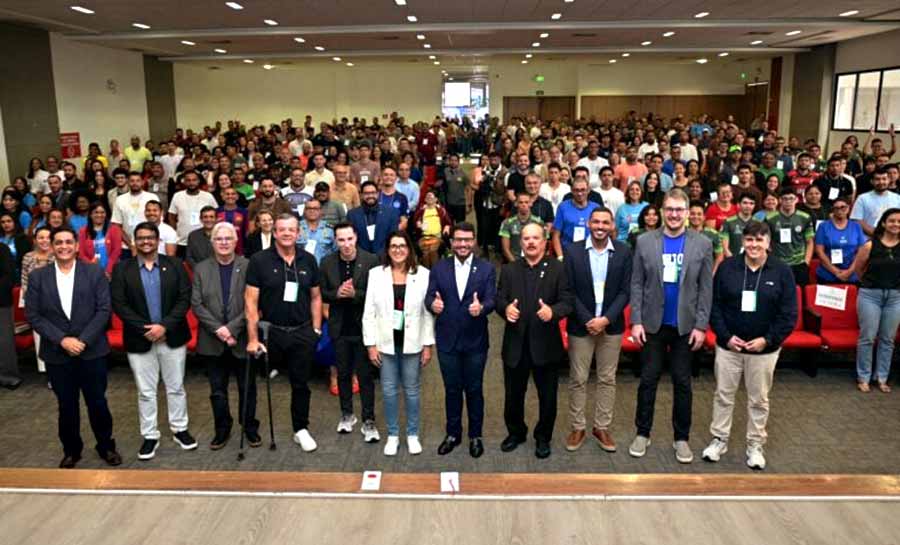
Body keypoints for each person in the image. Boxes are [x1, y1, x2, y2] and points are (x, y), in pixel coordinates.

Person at [703, 220, 798, 470]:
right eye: (749, 239)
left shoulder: (782, 271)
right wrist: (724, 337)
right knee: (723, 395)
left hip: (763, 350)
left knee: (759, 399)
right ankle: (719, 439)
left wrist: (767, 340)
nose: (754, 244)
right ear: (743, 242)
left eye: (759, 240)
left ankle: (755, 444)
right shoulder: (727, 268)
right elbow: (715, 306)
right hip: (729, 347)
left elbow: (789, 315)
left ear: (768, 243)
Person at [25, 226, 121, 468]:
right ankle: (71, 450)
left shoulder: (94, 272)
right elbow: (33, 315)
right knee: (66, 406)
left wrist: (83, 340)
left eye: (69, 242)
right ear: (51, 246)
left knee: (98, 403)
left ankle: (106, 446)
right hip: (58, 353)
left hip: (92, 351)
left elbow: (103, 310)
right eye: (59, 242)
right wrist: (62, 340)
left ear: (77, 246)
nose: (64, 246)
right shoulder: (38, 276)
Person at [629, 188, 713, 464]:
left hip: (685, 326)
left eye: (679, 210)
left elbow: (705, 289)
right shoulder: (644, 242)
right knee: (648, 381)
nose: (674, 214)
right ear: (662, 212)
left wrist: (701, 325)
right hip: (652, 324)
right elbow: (637, 284)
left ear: (688, 214)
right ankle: (643, 433)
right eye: (670, 209)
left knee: (682, 383)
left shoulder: (702, 244)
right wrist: (637, 321)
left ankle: (681, 438)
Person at [111, 222, 197, 461]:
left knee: (176, 387)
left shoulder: (175, 265)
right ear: (134, 242)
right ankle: (150, 435)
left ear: (158, 240)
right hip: (140, 339)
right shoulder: (122, 269)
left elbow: (184, 297)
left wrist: (164, 326)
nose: (145, 241)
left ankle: (180, 429)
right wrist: (145, 329)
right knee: (146, 392)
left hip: (172, 335)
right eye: (140, 238)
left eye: (150, 237)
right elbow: (119, 304)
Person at [245, 213, 323, 452]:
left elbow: (316, 296)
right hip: (271, 333)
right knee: (252, 381)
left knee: (301, 384)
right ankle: (249, 426)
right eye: (282, 229)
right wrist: (252, 339)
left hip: (301, 332)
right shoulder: (259, 261)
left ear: (298, 233)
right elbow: (250, 301)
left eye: (292, 229)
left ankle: (300, 429)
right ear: (274, 232)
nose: (287, 233)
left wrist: (317, 328)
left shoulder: (308, 260)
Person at [495, 223, 573, 459]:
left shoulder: (557, 269)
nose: (530, 242)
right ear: (521, 242)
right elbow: (499, 298)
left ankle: (543, 437)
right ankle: (516, 432)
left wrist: (554, 312)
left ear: (544, 241)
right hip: (515, 346)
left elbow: (568, 301)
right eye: (526, 238)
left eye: (535, 238)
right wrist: (505, 308)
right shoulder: (509, 270)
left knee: (548, 397)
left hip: (546, 345)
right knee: (512, 396)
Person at [563, 207, 631, 453]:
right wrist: (588, 319)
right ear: (589, 224)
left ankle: (601, 426)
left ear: (612, 225)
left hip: (611, 327)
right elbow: (567, 291)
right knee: (578, 379)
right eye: (596, 222)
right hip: (581, 326)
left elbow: (626, 291)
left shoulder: (624, 252)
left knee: (607, 378)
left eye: (605, 222)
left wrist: (605, 319)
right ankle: (578, 426)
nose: (600, 226)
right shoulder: (572, 251)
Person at [425, 222, 496, 458]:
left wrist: (482, 307)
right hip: (447, 341)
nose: (463, 244)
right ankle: (453, 433)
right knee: (451, 390)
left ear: (474, 241)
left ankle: (476, 435)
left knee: (474, 389)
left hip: (475, 341)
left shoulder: (486, 268)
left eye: (467, 240)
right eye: (458, 240)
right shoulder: (439, 267)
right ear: (452, 242)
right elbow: (429, 296)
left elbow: (492, 300)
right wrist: (432, 305)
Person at [362, 230, 434, 456]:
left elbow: (427, 314)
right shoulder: (376, 274)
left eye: (402, 245)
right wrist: (370, 344)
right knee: (389, 391)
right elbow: (369, 312)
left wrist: (427, 344)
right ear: (388, 249)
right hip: (385, 343)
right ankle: (393, 435)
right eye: (393, 246)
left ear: (409, 249)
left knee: (412, 391)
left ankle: (412, 434)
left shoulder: (423, 274)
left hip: (413, 342)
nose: (398, 250)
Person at [191, 222, 260, 449]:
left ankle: (249, 427)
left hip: (242, 338)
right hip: (212, 340)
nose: (223, 243)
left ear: (235, 241)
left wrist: (232, 328)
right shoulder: (201, 268)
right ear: (212, 242)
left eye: (228, 238)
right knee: (217, 391)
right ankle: (222, 429)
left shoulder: (249, 265)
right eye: (219, 239)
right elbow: (197, 304)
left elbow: (254, 304)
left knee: (247, 388)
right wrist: (219, 330)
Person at [320, 223, 380, 442]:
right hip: (339, 328)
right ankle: (347, 415)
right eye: (341, 240)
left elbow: (377, 294)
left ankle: (368, 419)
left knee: (365, 376)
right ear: (335, 241)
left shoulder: (371, 260)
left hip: (363, 328)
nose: (346, 244)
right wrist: (337, 293)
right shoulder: (327, 263)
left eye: (349, 239)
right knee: (343, 374)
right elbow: (323, 293)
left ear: (356, 238)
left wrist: (355, 294)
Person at [850, 208, 900, 393]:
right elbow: (858, 269)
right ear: (884, 223)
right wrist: (871, 283)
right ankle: (863, 376)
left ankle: (881, 377)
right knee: (868, 337)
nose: (896, 224)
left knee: (888, 339)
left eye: (899, 222)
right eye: (892, 221)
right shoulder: (870, 245)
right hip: (870, 295)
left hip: (895, 297)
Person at [20, 226, 55, 373]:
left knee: (56, 336)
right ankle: (45, 371)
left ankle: (57, 369)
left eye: (47, 237)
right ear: (35, 240)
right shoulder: (28, 257)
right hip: (35, 303)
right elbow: (24, 281)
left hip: (55, 303)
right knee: (39, 338)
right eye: (41, 237)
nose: (44, 240)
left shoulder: (58, 255)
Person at [766, 188, 814, 286]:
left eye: (791, 199)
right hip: (778, 263)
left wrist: (806, 262)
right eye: (785, 199)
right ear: (780, 200)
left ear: (796, 199)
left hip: (799, 263)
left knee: (801, 294)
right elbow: (766, 241)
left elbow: (810, 241)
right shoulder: (770, 218)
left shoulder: (805, 217)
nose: (788, 202)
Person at [814, 196, 866, 284]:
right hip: (827, 274)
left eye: (843, 207)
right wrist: (836, 272)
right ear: (832, 210)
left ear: (849, 208)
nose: (839, 210)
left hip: (852, 275)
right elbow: (819, 251)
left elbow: (861, 251)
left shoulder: (856, 226)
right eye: (836, 208)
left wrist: (850, 271)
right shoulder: (823, 226)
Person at [168, 170, 218, 256]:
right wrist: (175, 233)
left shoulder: (208, 196)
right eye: (188, 180)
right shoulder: (177, 196)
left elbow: (216, 216)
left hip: (204, 241)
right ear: (184, 181)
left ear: (198, 181)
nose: (191, 183)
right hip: (182, 241)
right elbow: (171, 216)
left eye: (194, 180)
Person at [111, 171, 158, 258]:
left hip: (148, 244)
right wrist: (131, 246)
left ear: (142, 182)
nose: (135, 183)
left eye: (138, 181)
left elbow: (157, 222)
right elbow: (116, 225)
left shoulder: (152, 197)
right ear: (128, 182)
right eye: (132, 181)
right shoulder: (120, 200)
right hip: (126, 246)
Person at [347, 181, 401, 255]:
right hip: (361, 257)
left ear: (378, 194)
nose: (370, 196)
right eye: (366, 193)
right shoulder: (352, 214)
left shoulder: (391, 213)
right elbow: (352, 238)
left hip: (385, 256)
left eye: (373, 192)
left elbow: (393, 236)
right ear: (361, 195)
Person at [552, 177, 599, 255]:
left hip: (590, 253)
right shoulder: (563, 207)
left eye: (583, 190)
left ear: (588, 190)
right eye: (576, 190)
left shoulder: (596, 208)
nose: (580, 193)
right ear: (571, 190)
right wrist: (560, 257)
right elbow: (556, 235)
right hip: (568, 253)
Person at [77, 201, 124, 278]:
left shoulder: (114, 229)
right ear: (90, 214)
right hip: (90, 272)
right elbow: (81, 253)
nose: (99, 215)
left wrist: (108, 270)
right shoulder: (83, 231)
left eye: (102, 212)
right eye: (96, 212)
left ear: (106, 214)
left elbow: (116, 251)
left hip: (111, 272)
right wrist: (91, 266)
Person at [850, 168, 900, 237]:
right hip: (868, 240)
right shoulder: (862, 198)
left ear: (888, 180)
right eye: (877, 179)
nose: (881, 182)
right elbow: (857, 219)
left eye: (884, 179)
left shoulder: (897, 198)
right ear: (872, 181)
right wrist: (876, 234)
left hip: (893, 239)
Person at [499, 192, 546, 263]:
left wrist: (535, 262)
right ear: (516, 204)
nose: (524, 205)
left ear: (531, 203)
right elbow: (505, 249)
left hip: (535, 262)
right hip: (514, 261)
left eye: (526, 202)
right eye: (521, 202)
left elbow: (543, 245)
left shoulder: (539, 223)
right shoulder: (507, 223)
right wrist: (516, 265)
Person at [412, 189, 452, 267]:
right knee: (425, 252)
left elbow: (448, 223)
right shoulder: (421, 211)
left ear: (436, 199)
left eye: (431, 197)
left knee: (433, 251)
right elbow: (415, 222)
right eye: (427, 197)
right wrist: (418, 224)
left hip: (437, 237)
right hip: (424, 237)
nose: (429, 199)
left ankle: (434, 271)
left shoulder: (441, 210)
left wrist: (446, 228)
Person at [0, 243, 21, 389]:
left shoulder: (2, 249)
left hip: (1, 302)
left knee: (4, 342)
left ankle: (9, 378)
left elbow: (10, 276)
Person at [688, 201, 724, 273]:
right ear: (687, 215)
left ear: (704, 217)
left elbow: (719, 257)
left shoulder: (713, 234)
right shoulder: (681, 233)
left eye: (699, 214)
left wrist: (712, 274)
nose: (696, 217)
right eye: (692, 214)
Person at [298, 199, 335, 264]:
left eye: (315, 208)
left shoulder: (330, 230)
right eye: (309, 208)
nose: (312, 211)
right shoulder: (296, 228)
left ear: (321, 211)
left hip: (323, 269)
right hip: (301, 267)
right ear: (304, 211)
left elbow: (336, 251)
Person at [721, 193, 757, 258]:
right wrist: (734, 262)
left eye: (751, 203)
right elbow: (725, 248)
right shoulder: (728, 222)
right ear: (738, 205)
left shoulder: (758, 223)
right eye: (745, 203)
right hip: (733, 262)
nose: (748, 206)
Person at [0, 211, 31, 285]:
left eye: (9, 221)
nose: (6, 224)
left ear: (15, 222)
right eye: (3, 222)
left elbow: (24, 259)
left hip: (15, 275)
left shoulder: (22, 238)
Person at [216, 187, 249, 255]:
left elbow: (246, 231)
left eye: (233, 194)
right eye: (227, 194)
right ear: (223, 197)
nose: (230, 196)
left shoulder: (244, 212)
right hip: (221, 246)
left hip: (239, 248)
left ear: (237, 197)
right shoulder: (217, 212)